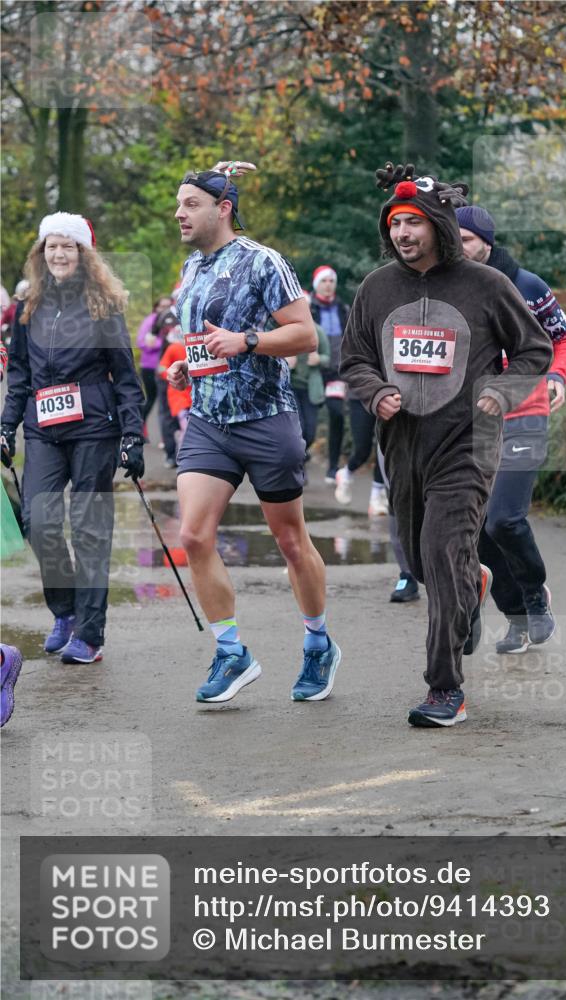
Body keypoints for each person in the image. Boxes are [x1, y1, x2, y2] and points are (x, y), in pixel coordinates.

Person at [340, 163, 552, 728]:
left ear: (437, 223)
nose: (402, 234)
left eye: (412, 223)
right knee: (421, 557)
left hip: (468, 441)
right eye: (394, 224)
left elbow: (535, 350)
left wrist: (502, 393)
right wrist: (376, 390)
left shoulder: (487, 286)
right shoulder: (376, 288)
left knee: (440, 548)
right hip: (404, 442)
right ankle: (472, 581)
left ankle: (443, 689)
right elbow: (354, 358)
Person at [167, 162, 340, 704]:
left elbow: (304, 334)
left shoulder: (264, 262)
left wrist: (247, 341)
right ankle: (231, 651)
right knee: (193, 536)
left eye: (190, 203)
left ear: (222, 209)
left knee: (291, 541)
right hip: (208, 421)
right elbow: (203, 343)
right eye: (178, 204)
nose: (178, 212)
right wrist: (188, 367)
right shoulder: (192, 268)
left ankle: (317, 643)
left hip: (266, 419)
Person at [0, 212, 145, 663]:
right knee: (40, 524)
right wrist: (6, 426)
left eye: (67, 246)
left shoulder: (104, 305)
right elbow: (19, 375)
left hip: (94, 429)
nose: (58, 254)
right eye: (51, 246)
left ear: (83, 254)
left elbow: (125, 376)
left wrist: (133, 435)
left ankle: (90, 632)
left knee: (89, 529)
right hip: (42, 428)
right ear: (40, 254)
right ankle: (63, 611)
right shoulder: (29, 309)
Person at [456, 205, 566, 652]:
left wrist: (555, 376)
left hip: (525, 411)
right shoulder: (452, 288)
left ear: (486, 242)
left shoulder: (527, 286)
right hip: (473, 421)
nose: (460, 248)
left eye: (466, 240)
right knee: (477, 527)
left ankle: (535, 595)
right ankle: (516, 616)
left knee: (504, 519)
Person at [309, 266, 350, 482]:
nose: (328, 285)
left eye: (331, 281)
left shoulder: (343, 308)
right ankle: (300, 460)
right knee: (308, 421)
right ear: (317, 285)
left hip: (335, 373)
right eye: (324, 281)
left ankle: (333, 466)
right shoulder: (308, 308)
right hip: (312, 373)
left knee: (337, 415)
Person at [287, 319, 330, 465]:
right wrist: (284, 361)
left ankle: (301, 458)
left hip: (310, 389)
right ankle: (298, 465)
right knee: (299, 428)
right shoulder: (285, 331)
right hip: (290, 388)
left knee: (310, 432)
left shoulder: (317, 331)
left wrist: (319, 359)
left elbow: (327, 357)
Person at [136, 294, 173, 436]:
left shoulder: (172, 320)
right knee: (151, 399)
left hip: (167, 367)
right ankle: (139, 425)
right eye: (162, 306)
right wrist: (162, 343)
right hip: (150, 367)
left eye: (168, 306)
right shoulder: (150, 321)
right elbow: (142, 342)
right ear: (156, 307)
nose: (164, 309)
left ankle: (167, 436)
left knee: (165, 404)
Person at [158, 321, 191, 446]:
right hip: (179, 395)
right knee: (186, 428)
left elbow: (161, 369)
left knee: (187, 428)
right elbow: (161, 368)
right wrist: (172, 374)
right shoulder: (174, 348)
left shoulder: (191, 347)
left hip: (191, 395)